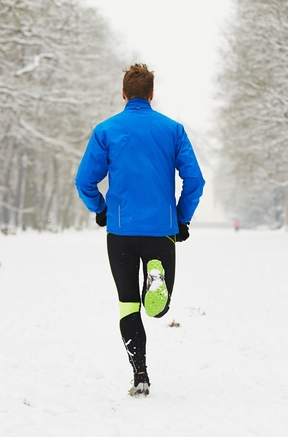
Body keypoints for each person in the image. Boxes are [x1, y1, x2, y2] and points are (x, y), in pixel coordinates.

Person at [75, 64, 205, 397]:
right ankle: (156, 276)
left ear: (123, 94)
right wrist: (181, 217)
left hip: (121, 232)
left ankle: (140, 374)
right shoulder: (172, 130)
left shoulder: (107, 130)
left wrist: (101, 209)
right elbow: (194, 179)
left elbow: (84, 180)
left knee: (128, 305)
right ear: (151, 94)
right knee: (157, 308)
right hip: (161, 230)